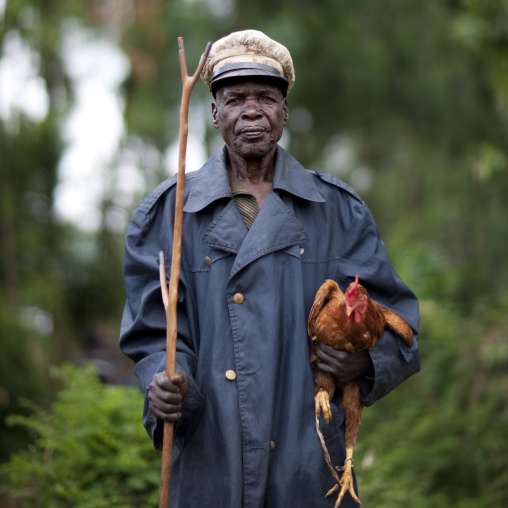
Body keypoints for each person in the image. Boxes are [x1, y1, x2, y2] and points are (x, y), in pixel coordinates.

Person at [120, 29, 420, 508]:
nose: (252, 109)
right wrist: (167, 384)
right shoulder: (167, 214)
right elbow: (153, 334)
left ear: (284, 112)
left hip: (308, 464)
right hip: (207, 462)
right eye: (236, 98)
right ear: (215, 113)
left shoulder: (338, 211)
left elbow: (397, 320)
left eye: (266, 97)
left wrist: (364, 360)